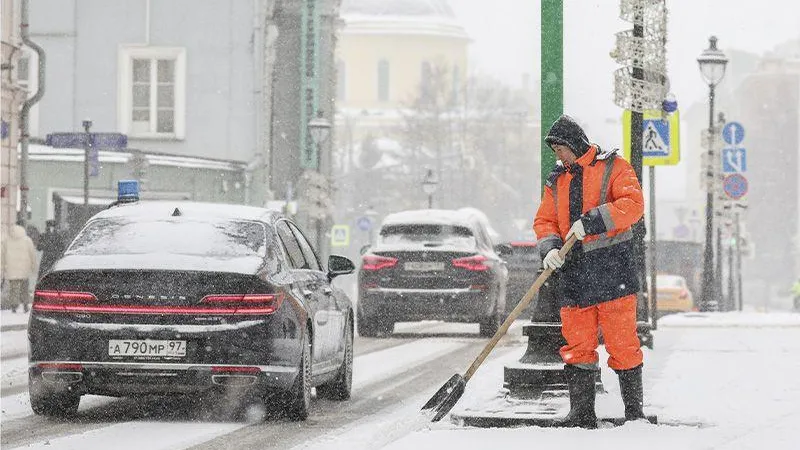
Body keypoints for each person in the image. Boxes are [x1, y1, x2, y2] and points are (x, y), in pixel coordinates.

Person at [534, 115, 646, 428]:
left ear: (574, 143)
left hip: (613, 271)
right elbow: (544, 221)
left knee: (622, 342)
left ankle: (634, 415)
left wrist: (593, 221)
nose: (558, 155)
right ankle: (581, 414)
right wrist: (551, 249)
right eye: (555, 150)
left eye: (560, 149)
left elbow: (633, 204)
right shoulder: (556, 180)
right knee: (577, 343)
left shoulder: (614, 166)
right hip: (573, 275)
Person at [2, 222, 38, 313]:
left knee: (13, 288)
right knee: (24, 287)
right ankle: (25, 304)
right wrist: (34, 267)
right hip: (24, 268)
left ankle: (14, 305)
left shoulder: (7, 240)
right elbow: (32, 254)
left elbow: (2, 255)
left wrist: (2, 267)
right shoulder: (27, 240)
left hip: (11, 268)